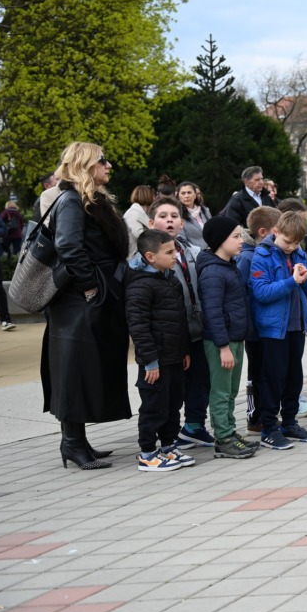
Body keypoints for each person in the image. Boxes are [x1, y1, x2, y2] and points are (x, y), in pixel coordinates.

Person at [43, 142, 131, 470]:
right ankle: (72, 443)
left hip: (90, 298)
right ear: (86, 164)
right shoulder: (71, 200)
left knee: (83, 368)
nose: (109, 166)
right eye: (103, 160)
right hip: (79, 301)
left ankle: (78, 441)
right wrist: (91, 286)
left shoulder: (88, 200)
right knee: (74, 370)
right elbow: (68, 246)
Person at [188, 216, 258, 459]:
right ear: (220, 240)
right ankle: (223, 438)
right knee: (220, 392)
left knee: (230, 391)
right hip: (222, 343)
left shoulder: (228, 265)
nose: (241, 241)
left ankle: (229, 431)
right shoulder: (213, 273)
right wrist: (223, 346)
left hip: (234, 339)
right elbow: (213, 313)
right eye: (236, 237)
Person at [249, 210, 307, 449]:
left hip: (296, 326)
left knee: (294, 378)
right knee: (273, 379)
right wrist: (291, 281)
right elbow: (261, 292)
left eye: (296, 243)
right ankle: (269, 428)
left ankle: (290, 422)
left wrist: (305, 279)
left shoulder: (299, 253)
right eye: (288, 241)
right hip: (273, 329)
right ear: (275, 232)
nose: (291, 247)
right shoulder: (262, 255)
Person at [126, 230, 195, 472]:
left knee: (172, 405)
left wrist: (184, 351)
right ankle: (147, 454)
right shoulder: (140, 286)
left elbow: (179, 320)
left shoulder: (170, 279)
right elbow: (138, 327)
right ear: (150, 256)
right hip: (155, 362)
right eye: (169, 252)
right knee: (153, 408)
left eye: (175, 250)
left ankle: (168, 446)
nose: (175, 255)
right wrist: (150, 361)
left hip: (174, 357)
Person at [147, 198, 212, 449]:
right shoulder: (146, 258)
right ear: (151, 223)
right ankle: (165, 437)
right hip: (169, 334)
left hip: (196, 328)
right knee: (172, 388)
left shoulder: (192, 251)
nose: (170, 220)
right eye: (163, 216)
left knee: (200, 380)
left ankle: (194, 426)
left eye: (174, 216)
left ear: (182, 223)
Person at [238, 206, 281, 433]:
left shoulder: (268, 253)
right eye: (277, 231)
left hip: (267, 326)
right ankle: (255, 417)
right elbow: (245, 295)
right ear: (264, 232)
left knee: (267, 371)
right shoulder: (247, 258)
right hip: (255, 329)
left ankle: (266, 413)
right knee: (256, 373)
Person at [177, 181, 212, 251]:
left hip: (212, 250)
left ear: (195, 195)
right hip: (194, 253)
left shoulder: (205, 210)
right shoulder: (177, 214)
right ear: (178, 196)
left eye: (189, 192)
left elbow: (213, 230)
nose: (186, 196)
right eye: (183, 193)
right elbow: (182, 240)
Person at [122, 185, 154, 258]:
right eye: (153, 195)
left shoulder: (141, 213)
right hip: (133, 257)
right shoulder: (133, 213)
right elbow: (140, 236)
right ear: (148, 196)